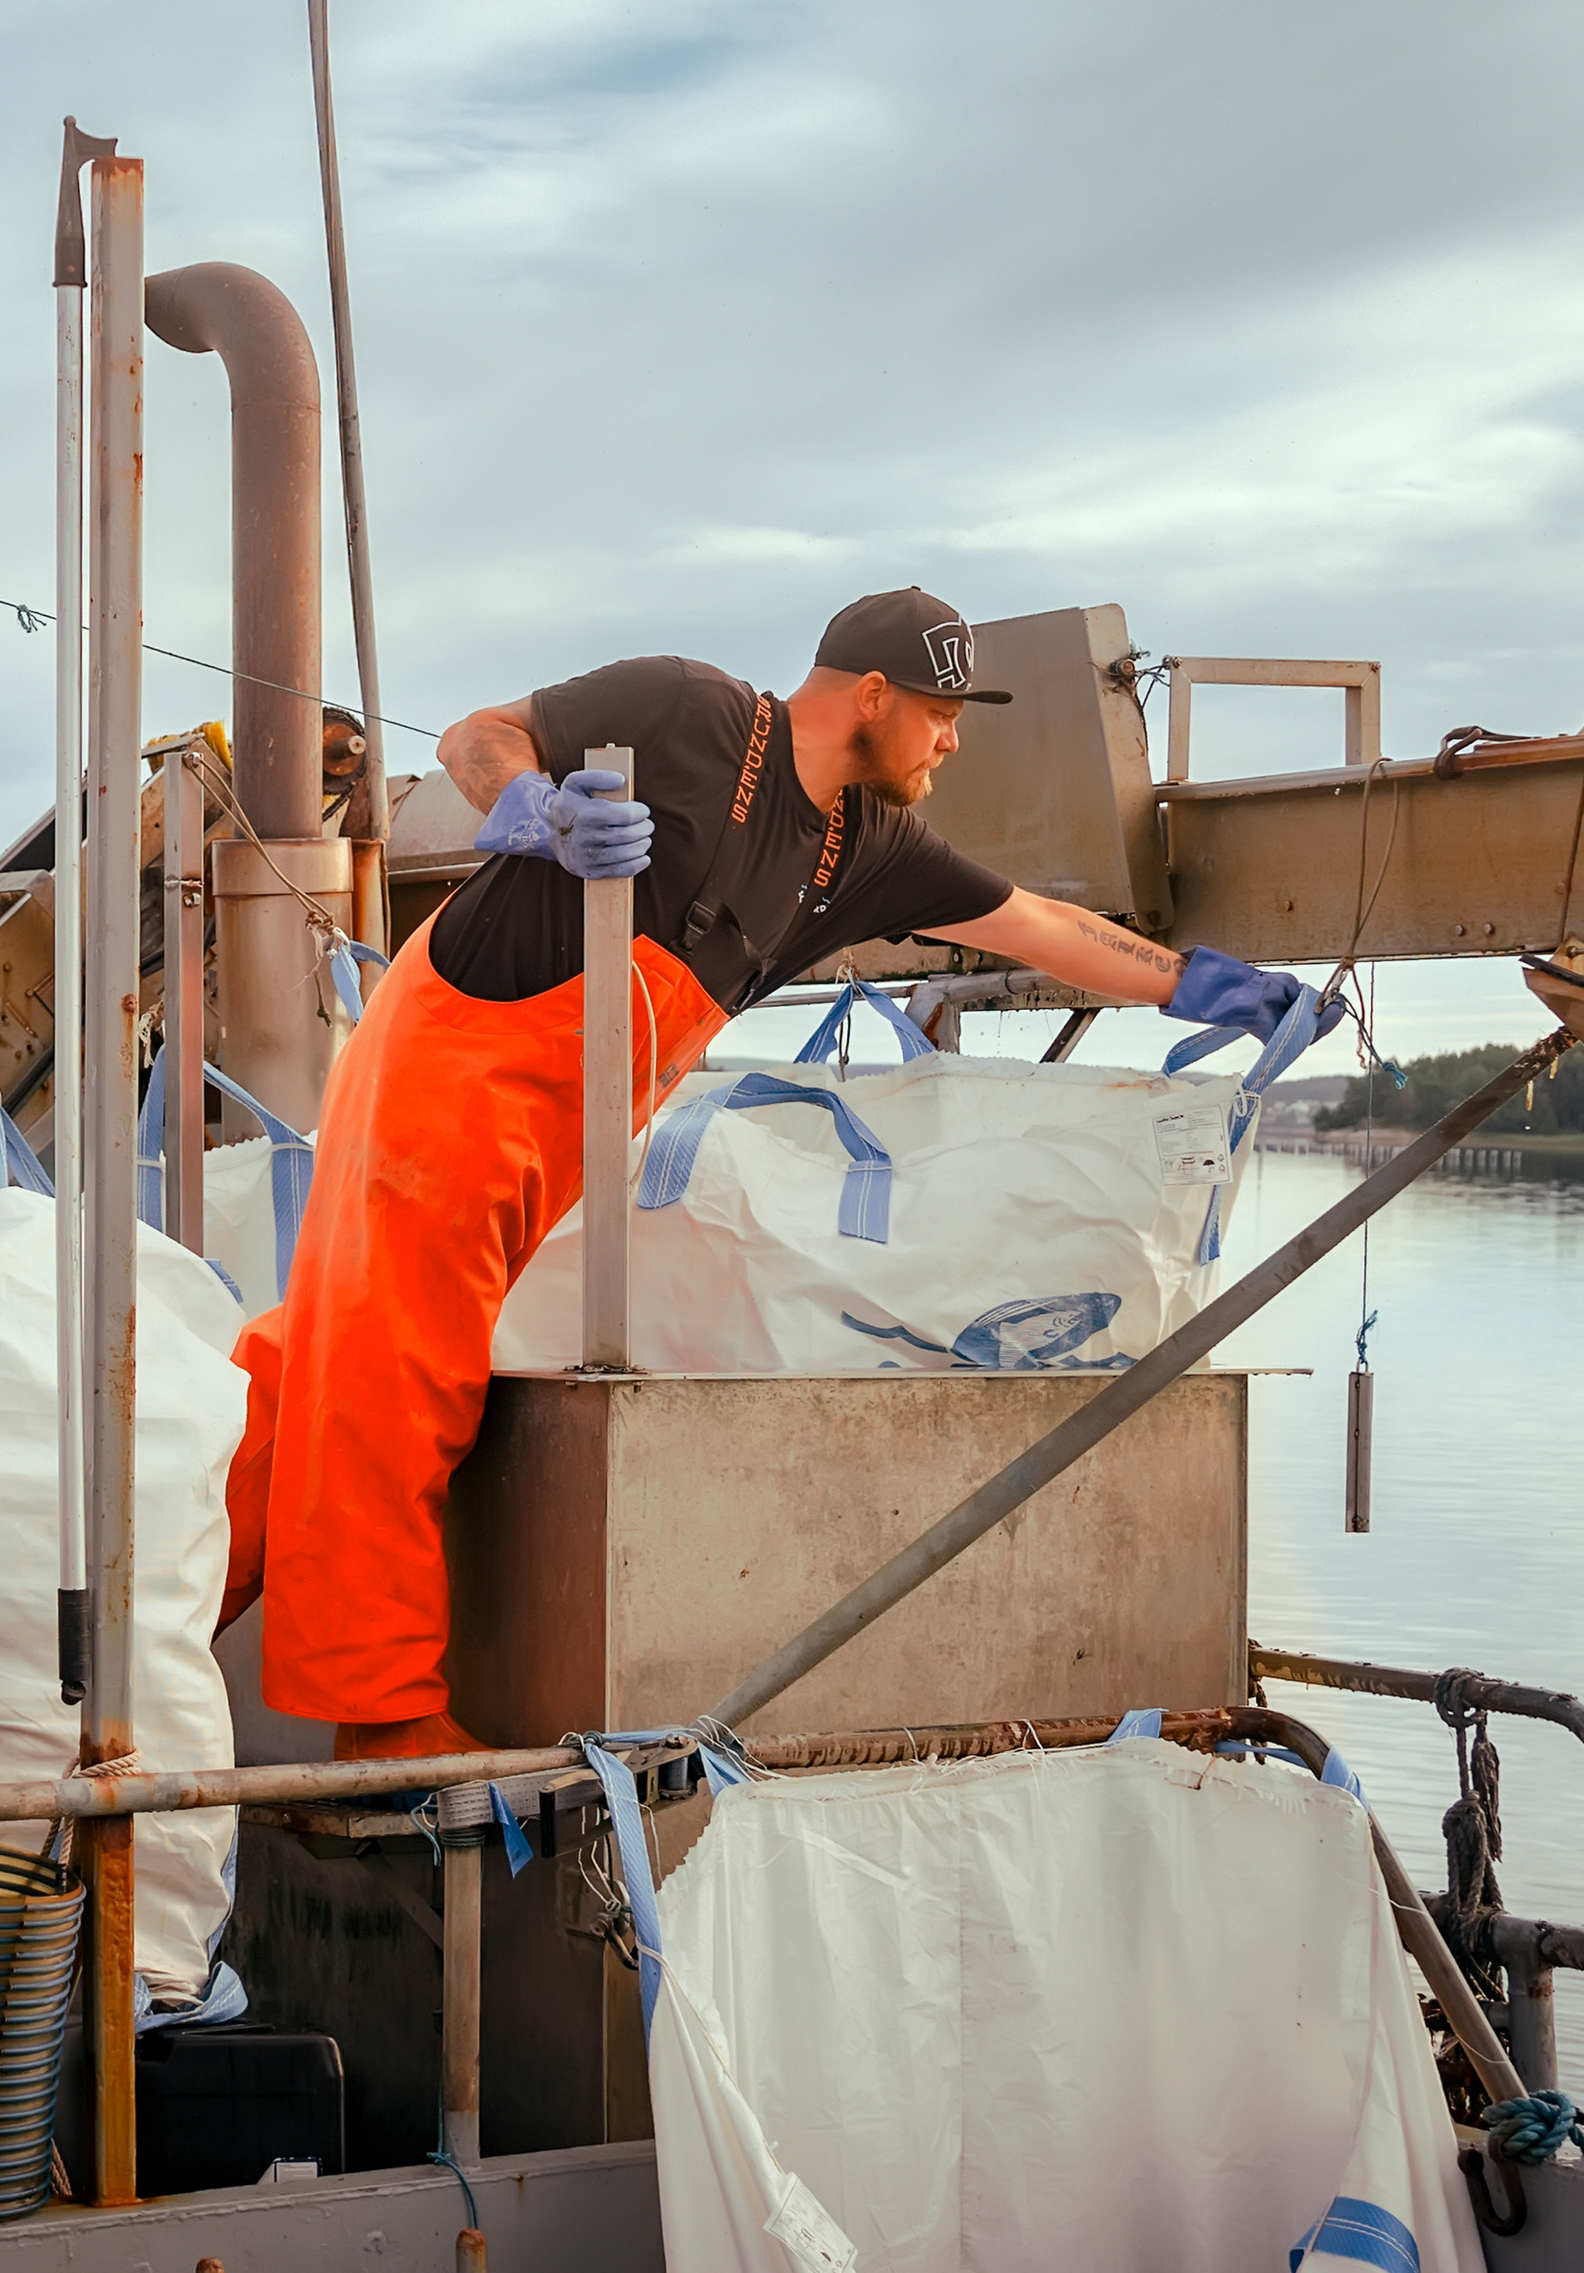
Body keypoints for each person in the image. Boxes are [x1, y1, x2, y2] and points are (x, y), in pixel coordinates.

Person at [216, 586, 1336, 1761]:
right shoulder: (689, 709)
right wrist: (529, 805)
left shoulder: (870, 849)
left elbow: (1038, 923)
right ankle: (382, 1725)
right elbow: (477, 735)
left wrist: (1199, 982)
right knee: (403, 1365)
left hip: (564, 1124)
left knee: (325, 1353)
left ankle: (174, 1586)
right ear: (871, 695)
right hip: (448, 1063)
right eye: (943, 714)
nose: (953, 740)